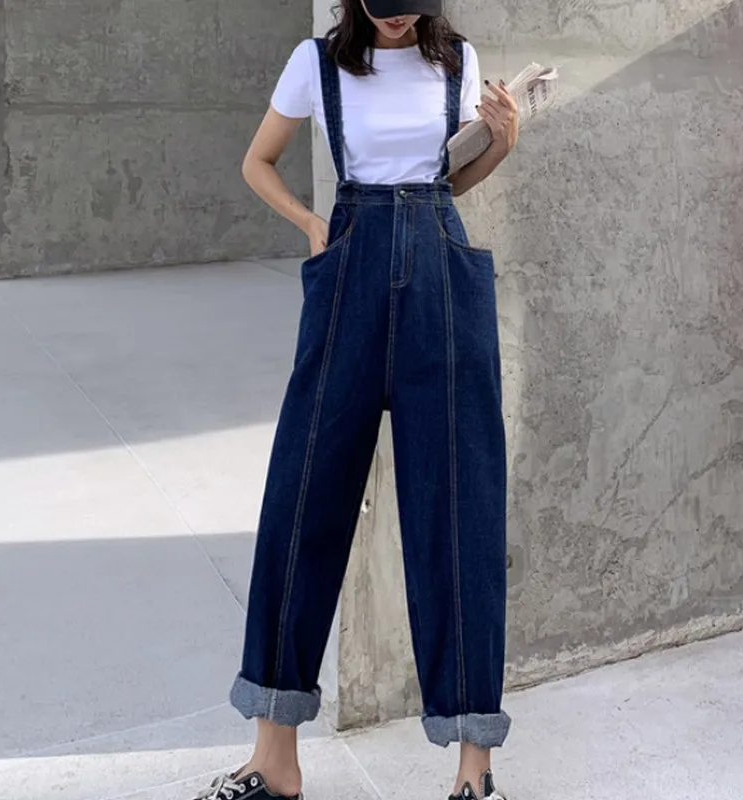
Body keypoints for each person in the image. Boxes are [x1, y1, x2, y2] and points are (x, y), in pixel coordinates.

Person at [195, 1, 518, 798]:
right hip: (349, 273)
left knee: (459, 509)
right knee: (302, 499)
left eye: (411, 7)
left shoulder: (458, 61)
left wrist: (503, 141)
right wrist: (311, 224)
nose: (399, 20)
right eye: (385, 6)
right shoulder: (315, 64)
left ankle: (473, 773)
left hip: (440, 278)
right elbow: (258, 161)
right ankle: (274, 762)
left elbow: (449, 181)